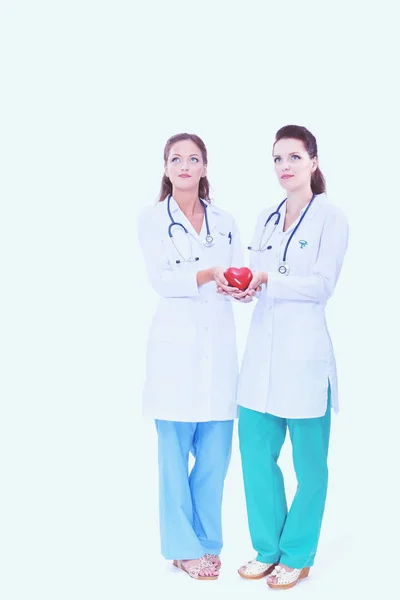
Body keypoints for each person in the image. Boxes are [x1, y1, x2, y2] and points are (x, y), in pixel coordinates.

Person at [230, 125, 349, 589]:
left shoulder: (330, 218)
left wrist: (268, 280)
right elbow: (257, 274)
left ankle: (297, 554)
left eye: (294, 157)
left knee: (310, 466)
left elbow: (321, 286)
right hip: (261, 357)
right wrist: (243, 289)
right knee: (256, 456)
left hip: (305, 360)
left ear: (313, 162)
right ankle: (267, 548)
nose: (285, 166)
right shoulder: (266, 216)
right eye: (278, 158)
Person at [138, 133, 243, 580]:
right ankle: (182, 548)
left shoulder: (226, 220)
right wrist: (207, 274)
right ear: (166, 168)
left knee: (215, 459)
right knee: (174, 459)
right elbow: (163, 279)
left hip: (217, 350)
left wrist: (240, 287)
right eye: (175, 158)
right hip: (174, 353)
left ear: (204, 168)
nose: (184, 165)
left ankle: (207, 542)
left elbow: (235, 275)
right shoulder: (151, 219)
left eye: (193, 158)